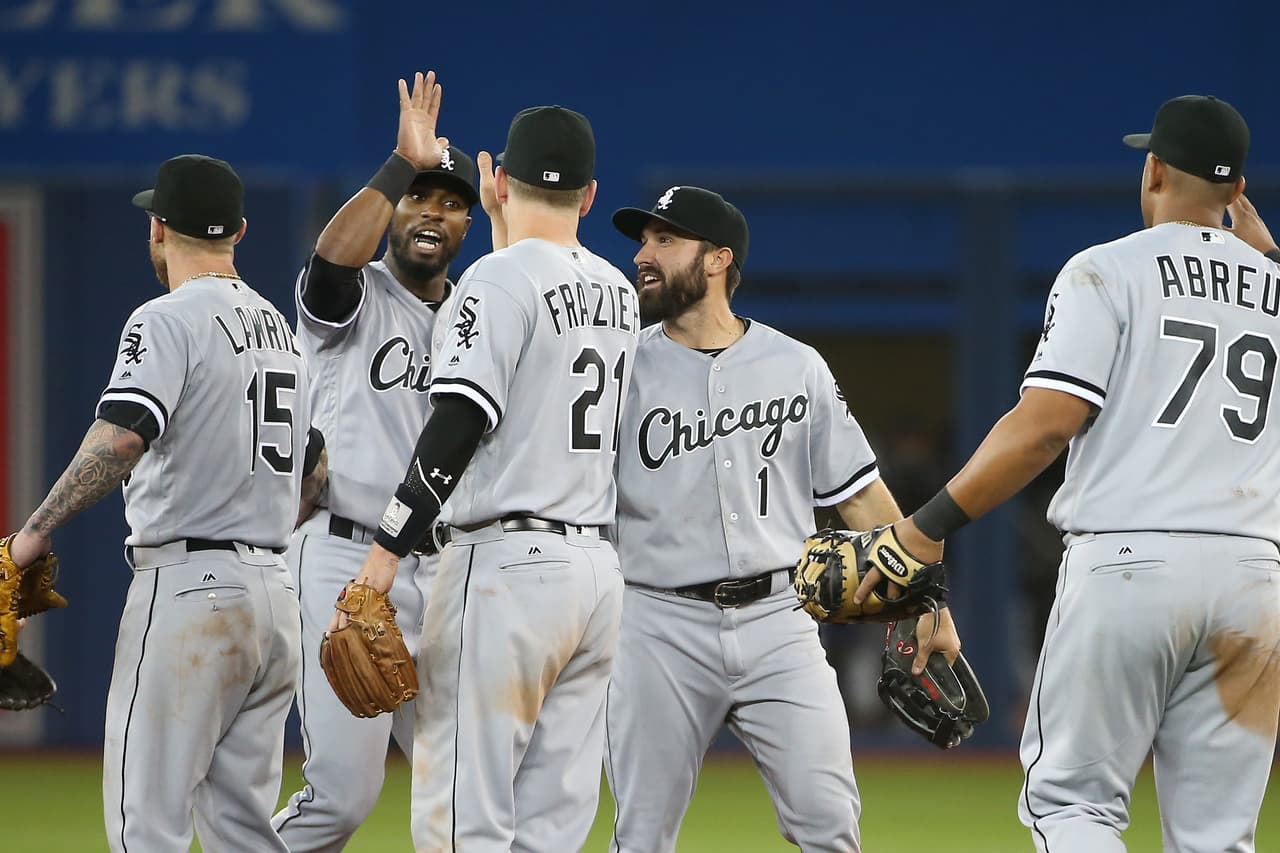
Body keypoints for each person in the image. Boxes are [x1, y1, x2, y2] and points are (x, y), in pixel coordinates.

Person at [855, 95, 1280, 852]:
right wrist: (1268, 261)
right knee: (1220, 836)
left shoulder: (1107, 269)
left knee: (1073, 806)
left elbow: (1046, 425)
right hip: (1254, 579)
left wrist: (924, 527)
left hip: (1131, 562)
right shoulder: (1276, 291)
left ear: (1153, 169)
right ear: (1237, 191)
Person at [597, 186, 960, 852]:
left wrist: (926, 603)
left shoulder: (796, 367)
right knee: (640, 836)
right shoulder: (622, 368)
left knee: (830, 825)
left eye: (664, 240)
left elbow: (860, 498)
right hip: (657, 623)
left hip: (780, 622)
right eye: (643, 241)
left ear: (716, 260)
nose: (643, 255)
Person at [335, 100, 639, 852]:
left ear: (499, 182)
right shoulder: (619, 292)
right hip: (596, 575)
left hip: (506, 570)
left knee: (460, 813)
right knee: (552, 820)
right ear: (591, 195)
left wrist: (382, 558)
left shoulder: (494, 282)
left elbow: (457, 425)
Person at [6, 154, 325, 852]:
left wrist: (31, 534)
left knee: (144, 821)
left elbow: (122, 439)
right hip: (274, 598)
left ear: (157, 228)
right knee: (242, 826)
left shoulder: (166, 317)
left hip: (190, 590)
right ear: (238, 230)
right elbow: (315, 470)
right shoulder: (284, 336)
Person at [271, 71, 480, 852]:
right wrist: (398, 164)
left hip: (445, 572)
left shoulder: (480, 313)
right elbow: (329, 261)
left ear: (470, 223)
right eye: (420, 196)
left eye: (451, 200)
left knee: (468, 792)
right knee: (343, 797)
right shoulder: (356, 297)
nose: (433, 210)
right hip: (345, 560)